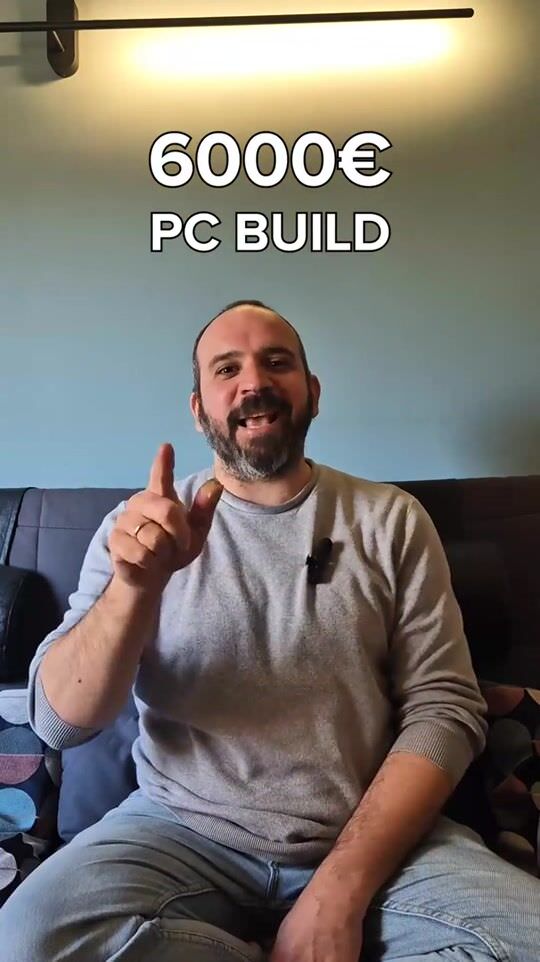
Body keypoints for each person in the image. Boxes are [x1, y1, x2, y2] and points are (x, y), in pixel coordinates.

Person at [0, 300, 538, 962]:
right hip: (179, 833)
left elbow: (446, 709)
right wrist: (135, 588)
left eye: (276, 362)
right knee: (28, 940)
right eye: (227, 368)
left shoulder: (392, 519)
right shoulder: (135, 530)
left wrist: (339, 891)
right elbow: (58, 724)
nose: (253, 381)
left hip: (374, 841)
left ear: (312, 393)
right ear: (199, 408)